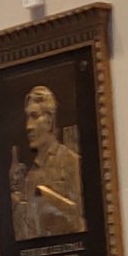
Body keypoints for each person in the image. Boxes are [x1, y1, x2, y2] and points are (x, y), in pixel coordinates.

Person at [9, 85, 85, 239]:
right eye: (28, 118)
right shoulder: (30, 176)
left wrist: (46, 197)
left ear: (49, 120)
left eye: (35, 116)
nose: (28, 126)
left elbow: (79, 220)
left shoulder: (71, 161)